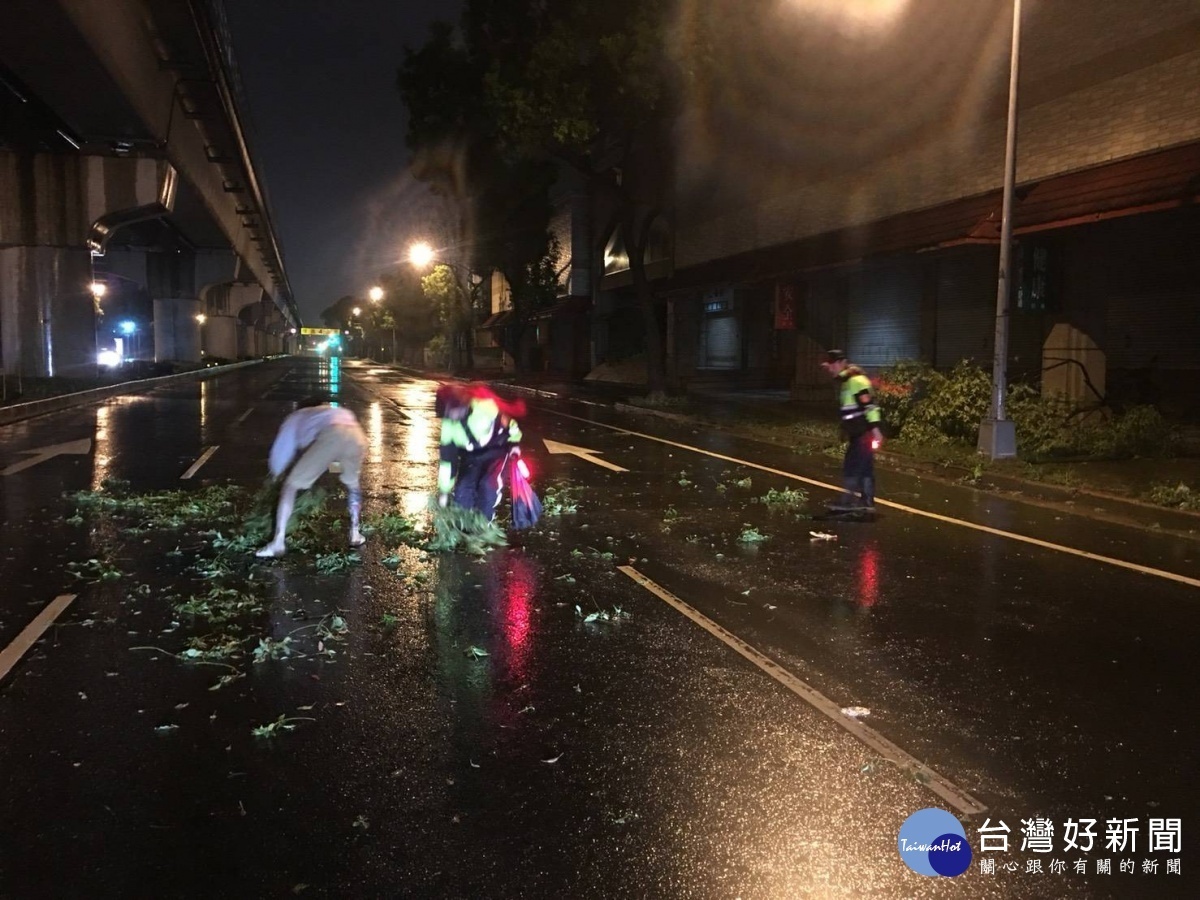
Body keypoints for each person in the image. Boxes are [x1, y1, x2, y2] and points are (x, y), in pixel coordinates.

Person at [255, 400, 368, 558]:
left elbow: (282, 451)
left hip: (333, 435)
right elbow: (334, 461)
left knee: (290, 485)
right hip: (358, 437)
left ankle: (278, 543)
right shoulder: (334, 412)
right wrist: (324, 469)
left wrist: (276, 474)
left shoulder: (297, 417)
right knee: (352, 484)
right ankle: (355, 534)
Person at [436, 383, 526, 521]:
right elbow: (448, 460)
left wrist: (514, 444)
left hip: (497, 453)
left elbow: (511, 427)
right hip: (471, 456)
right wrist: (444, 490)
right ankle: (465, 526)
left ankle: (484, 526)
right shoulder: (450, 425)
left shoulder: (487, 408)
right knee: (462, 491)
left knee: (488, 488)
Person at [820, 349, 883, 514]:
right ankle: (867, 502)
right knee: (864, 467)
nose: (831, 368)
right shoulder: (848, 381)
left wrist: (875, 429)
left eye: (832, 364)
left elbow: (868, 405)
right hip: (858, 432)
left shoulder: (857, 381)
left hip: (863, 432)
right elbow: (850, 408)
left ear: (842, 362)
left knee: (852, 466)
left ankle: (848, 502)